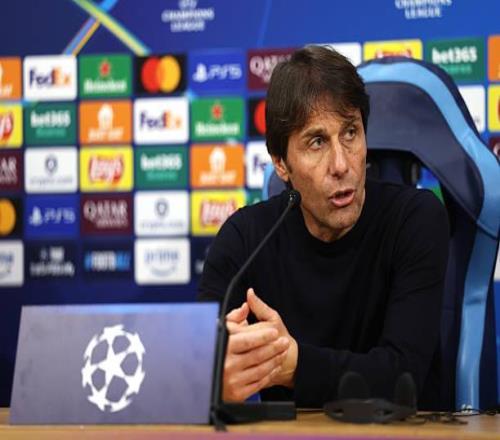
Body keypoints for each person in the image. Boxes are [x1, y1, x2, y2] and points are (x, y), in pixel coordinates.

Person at [198, 45, 449, 409]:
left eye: (350, 133)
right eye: (317, 142)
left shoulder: (415, 219)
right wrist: (217, 374)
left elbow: (402, 379)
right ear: (281, 163)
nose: (341, 164)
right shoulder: (246, 238)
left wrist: (293, 365)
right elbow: (196, 364)